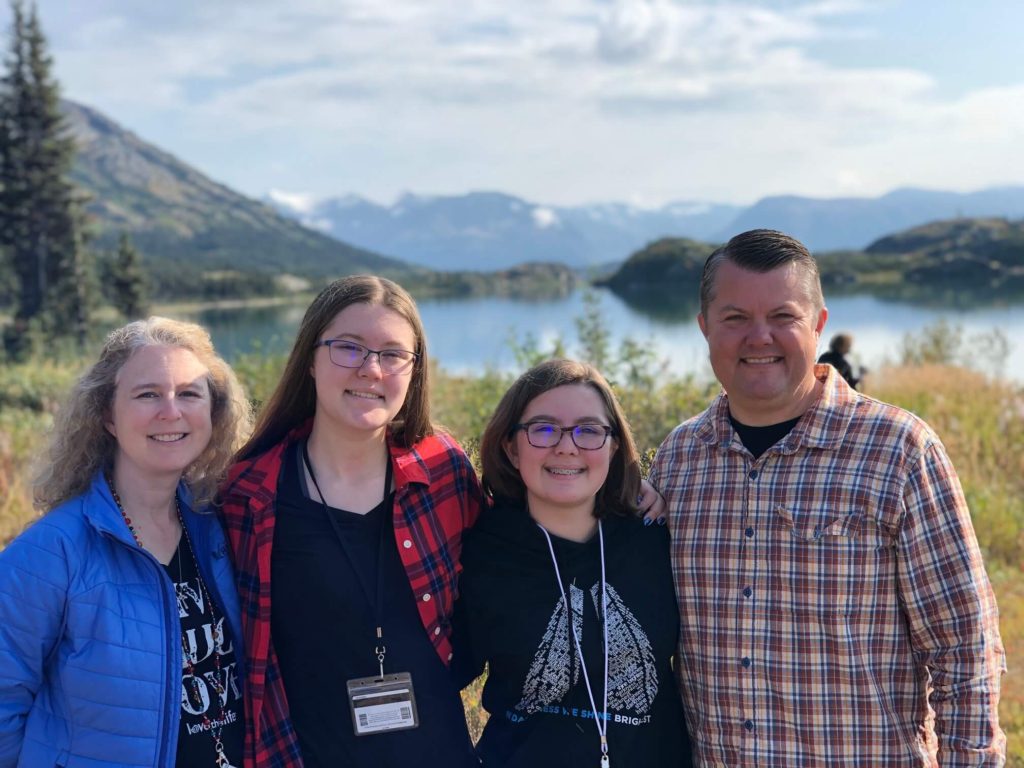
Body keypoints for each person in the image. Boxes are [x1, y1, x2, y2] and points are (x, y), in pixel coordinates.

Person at [650, 229, 1006, 767]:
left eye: (783, 317)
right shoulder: (679, 459)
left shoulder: (897, 451)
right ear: (704, 328)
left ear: (818, 324)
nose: (759, 337)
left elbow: (965, 649)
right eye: (735, 318)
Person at [219, 276, 486, 768]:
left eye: (392, 354)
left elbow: (506, 565)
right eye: (349, 348)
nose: (370, 369)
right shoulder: (248, 493)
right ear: (311, 358)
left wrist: (623, 493)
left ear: (414, 370)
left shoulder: (442, 470)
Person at [0, 317, 252, 767]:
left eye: (189, 393)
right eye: (147, 394)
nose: (171, 411)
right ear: (107, 417)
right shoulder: (50, 553)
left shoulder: (220, 527)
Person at [454, 359, 692, 767]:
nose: (567, 446)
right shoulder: (479, 548)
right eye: (543, 429)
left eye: (589, 430)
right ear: (511, 447)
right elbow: (437, 678)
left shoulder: (657, 536)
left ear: (614, 445)